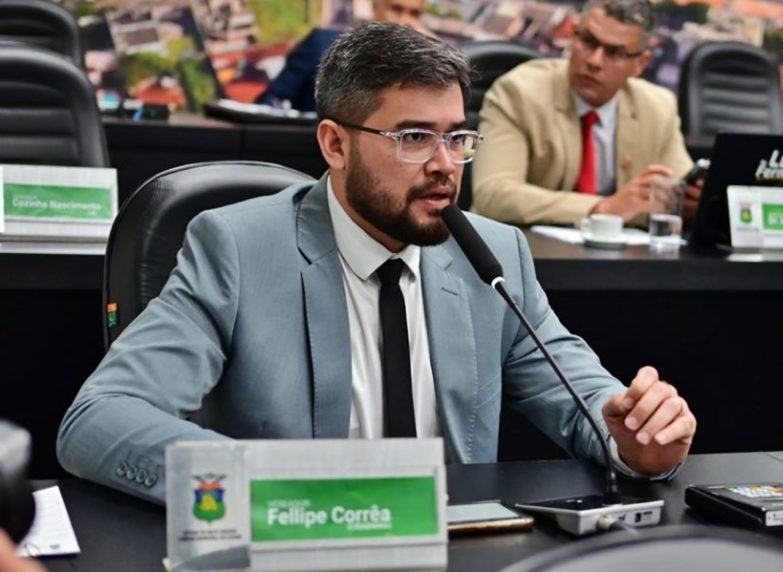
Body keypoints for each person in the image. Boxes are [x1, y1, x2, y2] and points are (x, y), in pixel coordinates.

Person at [57, 23, 696, 504]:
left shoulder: (493, 255)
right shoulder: (238, 249)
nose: (445, 164)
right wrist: (279, 490)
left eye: (457, 137)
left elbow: (587, 400)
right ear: (335, 144)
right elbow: (99, 420)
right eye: (413, 138)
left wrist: (636, 440)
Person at [471, 0, 699, 227]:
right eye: (588, 42)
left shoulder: (658, 107)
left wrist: (689, 204)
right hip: (523, 244)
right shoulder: (519, 92)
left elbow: (678, 187)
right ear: (573, 36)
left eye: (614, 53)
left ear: (640, 63)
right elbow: (494, 194)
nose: (594, 61)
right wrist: (603, 208)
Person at [255, 0, 430, 112]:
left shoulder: (420, 67)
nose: (405, 21)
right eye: (396, 9)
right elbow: (268, 105)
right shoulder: (322, 46)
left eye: (414, 14)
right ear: (375, 8)